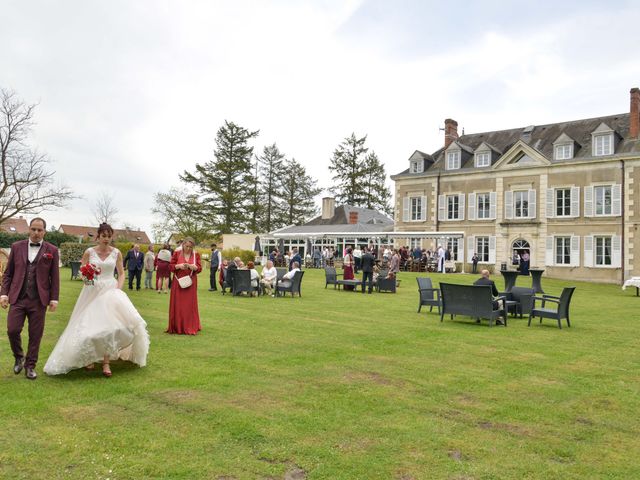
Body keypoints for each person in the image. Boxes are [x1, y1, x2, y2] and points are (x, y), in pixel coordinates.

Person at [44, 223, 149, 377]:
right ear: (98, 237)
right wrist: (86, 278)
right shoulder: (89, 252)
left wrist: (117, 290)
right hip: (91, 292)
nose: (106, 239)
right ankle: (89, 357)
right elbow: (83, 271)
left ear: (111, 237)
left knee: (110, 328)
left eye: (109, 236)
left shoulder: (116, 253)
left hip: (110, 292)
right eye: (103, 236)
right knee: (89, 327)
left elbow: (121, 273)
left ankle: (106, 362)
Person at [1, 218, 59, 380]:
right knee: (12, 330)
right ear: (29, 230)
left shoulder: (52, 250)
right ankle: (19, 356)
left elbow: (54, 277)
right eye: (33, 229)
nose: (36, 233)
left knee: (36, 334)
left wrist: (54, 298)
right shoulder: (16, 247)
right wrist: (4, 294)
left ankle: (30, 366)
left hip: (39, 299)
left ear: (44, 232)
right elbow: (8, 274)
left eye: (39, 230)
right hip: (18, 297)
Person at [167, 237, 202, 335]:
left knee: (189, 305)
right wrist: (178, 266)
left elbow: (199, 268)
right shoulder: (177, 253)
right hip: (178, 282)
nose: (188, 249)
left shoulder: (196, 255)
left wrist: (194, 267)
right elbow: (170, 266)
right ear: (183, 245)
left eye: (191, 247)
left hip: (191, 282)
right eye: (187, 246)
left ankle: (190, 325)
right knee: (178, 304)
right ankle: (178, 326)